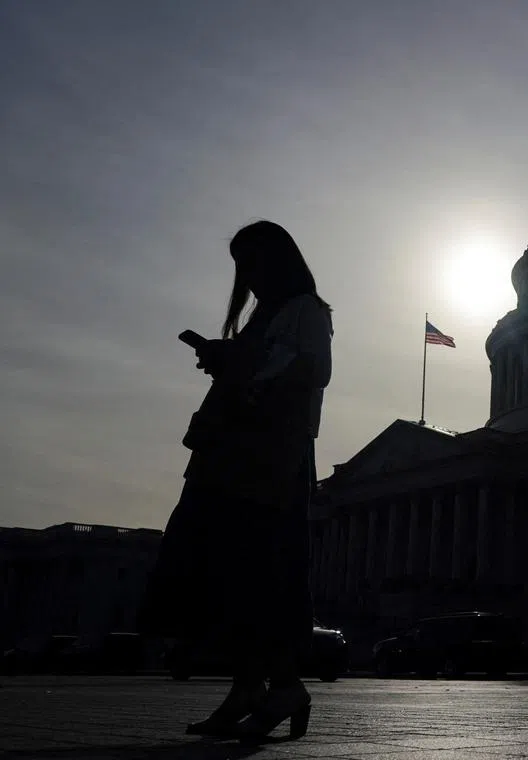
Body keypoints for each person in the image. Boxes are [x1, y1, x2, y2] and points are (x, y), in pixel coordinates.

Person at [139, 220, 333, 743]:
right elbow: (259, 372)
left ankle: (279, 687)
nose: (245, 275)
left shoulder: (308, 312)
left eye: (252, 262)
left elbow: (310, 373)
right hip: (230, 456)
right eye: (239, 265)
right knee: (232, 578)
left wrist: (234, 360)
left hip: (268, 462)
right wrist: (225, 360)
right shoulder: (264, 317)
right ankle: (252, 687)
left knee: (262, 575)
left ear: (278, 260)